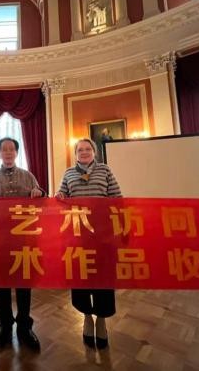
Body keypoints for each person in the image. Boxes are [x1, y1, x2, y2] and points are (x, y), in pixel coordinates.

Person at [55, 138, 121, 350]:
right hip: (78, 235)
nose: (84, 152)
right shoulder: (68, 173)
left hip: (103, 236)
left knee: (103, 278)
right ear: (75, 154)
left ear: (94, 152)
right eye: (80, 150)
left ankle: (101, 320)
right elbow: (61, 197)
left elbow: (117, 199)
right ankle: (86, 318)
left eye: (87, 149)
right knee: (81, 277)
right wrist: (60, 196)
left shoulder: (105, 170)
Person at [0, 137, 44, 351]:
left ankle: (25, 326)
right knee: (2, 284)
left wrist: (39, 193)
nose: (8, 152)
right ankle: (5, 326)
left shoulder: (28, 176)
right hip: (0, 241)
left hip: (24, 240)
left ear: (16, 153)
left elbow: (42, 198)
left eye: (11, 149)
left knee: (24, 283)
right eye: (4, 149)